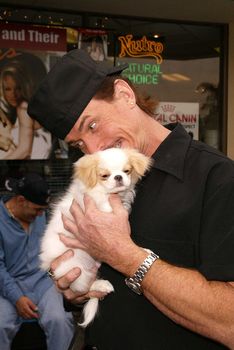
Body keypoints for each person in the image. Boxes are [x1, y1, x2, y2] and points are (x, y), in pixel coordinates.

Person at [28, 49, 234, 350]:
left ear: (124, 94)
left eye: (92, 125)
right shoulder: (92, 182)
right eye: (79, 143)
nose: (94, 148)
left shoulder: (217, 177)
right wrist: (74, 288)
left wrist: (124, 255)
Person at [0, 172, 75, 350]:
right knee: (1, 325)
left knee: (61, 320)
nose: (41, 214)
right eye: (37, 209)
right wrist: (17, 298)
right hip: (8, 284)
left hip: (43, 282)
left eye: (43, 209)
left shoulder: (40, 214)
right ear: (20, 200)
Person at [0, 53, 51, 159]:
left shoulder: (23, 107)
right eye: (8, 89)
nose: (13, 94)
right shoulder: (25, 107)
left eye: (17, 88)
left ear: (24, 86)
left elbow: (24, 150)